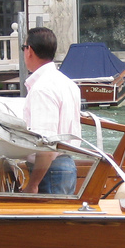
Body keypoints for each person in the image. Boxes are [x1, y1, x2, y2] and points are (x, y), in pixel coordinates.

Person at [21, 27, 83, 195]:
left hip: (50, 171)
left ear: (30, 51)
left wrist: (33, 184)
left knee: (49, 221)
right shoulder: (68, 84)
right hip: (66, 166)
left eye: (23, 47)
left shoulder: (42, 89)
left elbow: (47, 144)